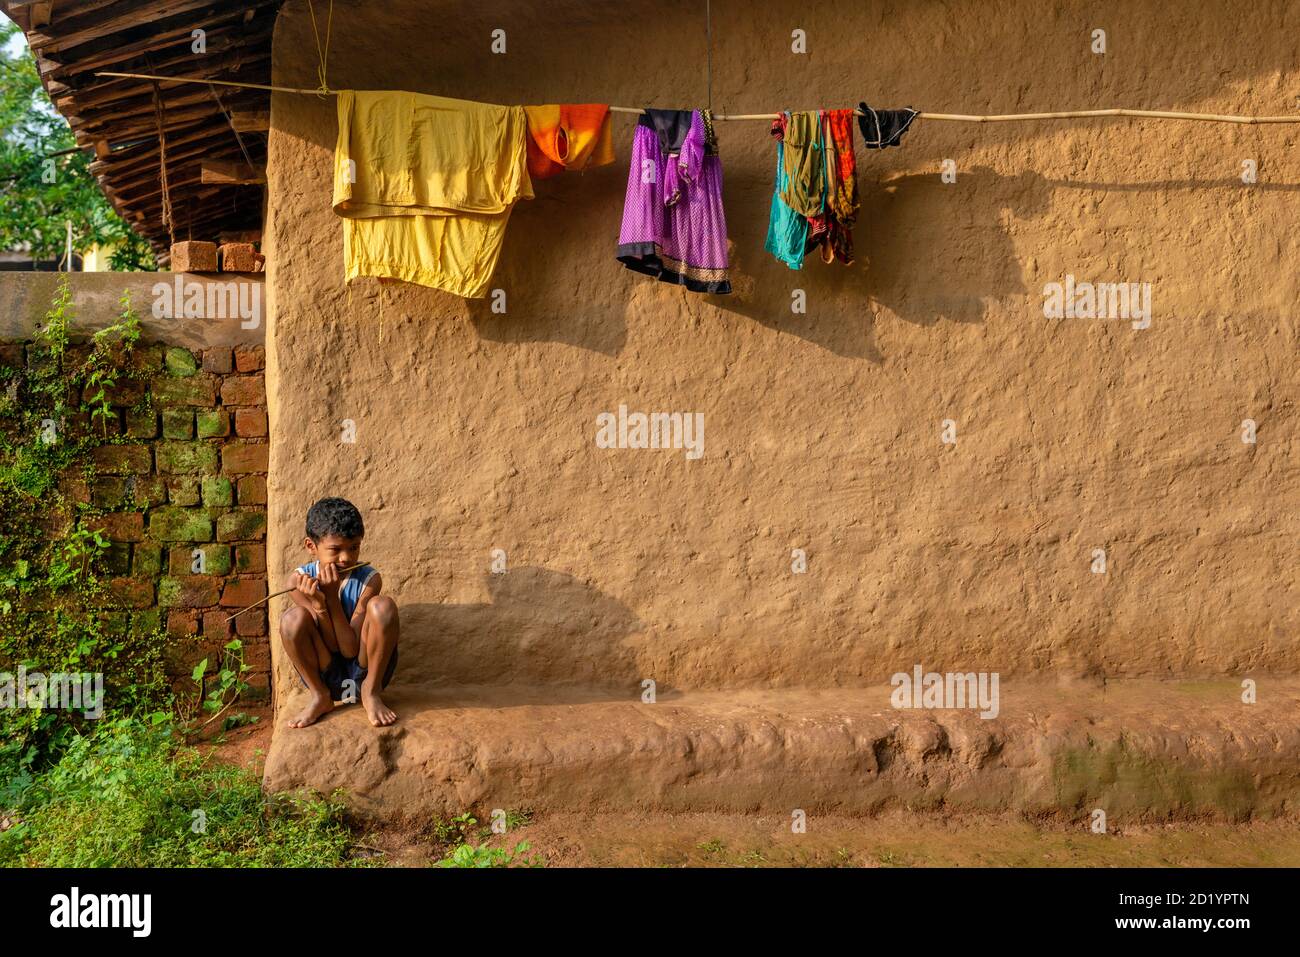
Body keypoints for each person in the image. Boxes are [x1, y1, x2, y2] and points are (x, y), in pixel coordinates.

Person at [279, 497, 399, 728]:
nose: (346, 557)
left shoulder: (369, 580)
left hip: (362, 670)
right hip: (326, 673)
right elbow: (331, 646)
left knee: (383, 607)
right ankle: (320, 696)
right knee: (291, 620)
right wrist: (319, 606)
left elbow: (348, 648)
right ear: (311, 547)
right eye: (335, 549)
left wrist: (332, 599)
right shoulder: (298, 581)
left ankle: (371, 693)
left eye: (354, 547)